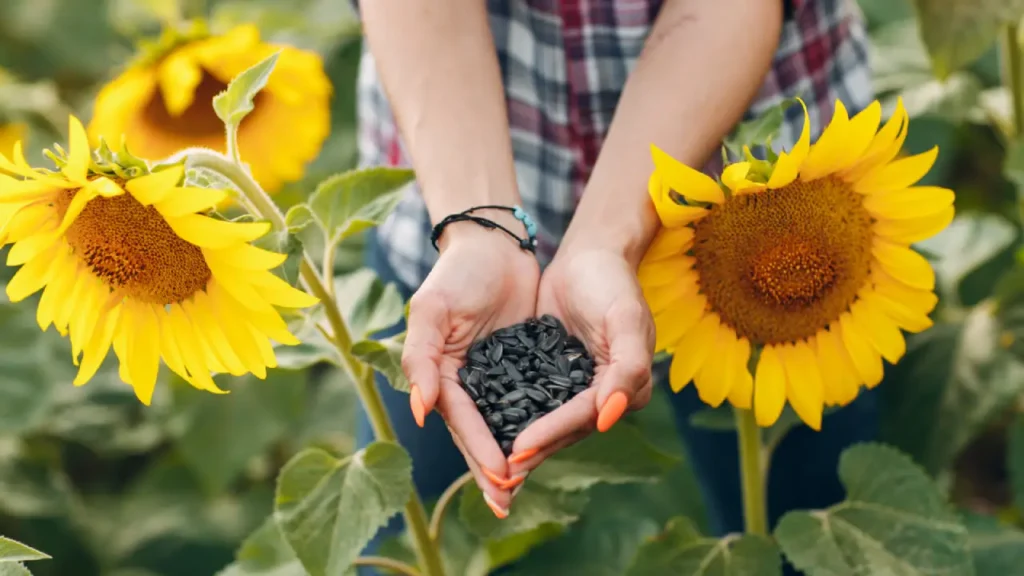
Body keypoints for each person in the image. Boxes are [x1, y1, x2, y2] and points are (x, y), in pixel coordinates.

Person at [352, 0, 877, 565]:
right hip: (448, 166)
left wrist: (605, 240)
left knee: (803, 526)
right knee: (408, 540)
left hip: (757, 200)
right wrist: (477, 231)